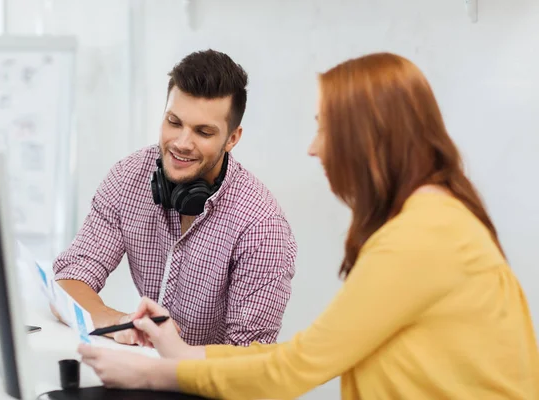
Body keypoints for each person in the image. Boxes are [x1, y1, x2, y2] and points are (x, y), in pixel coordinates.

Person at [77, 52, 539, 399]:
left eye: (324, 127)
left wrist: (153, 371)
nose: (314, 148)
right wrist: (172, 348)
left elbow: (296, 367)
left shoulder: (424, 237)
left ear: (366, 138)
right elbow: (301, 357)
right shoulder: (430, 219)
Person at [53, 49, 297, 347]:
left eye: (203, 132)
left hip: (208, 387)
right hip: (149, 373)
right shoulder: (128, 177)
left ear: (232, 138)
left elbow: (251, 361)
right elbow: (69, 280)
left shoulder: (262, 226)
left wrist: (173, 359)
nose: (182, 143)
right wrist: (116, 322)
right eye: (174, 122)